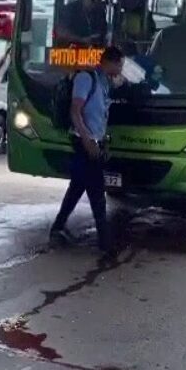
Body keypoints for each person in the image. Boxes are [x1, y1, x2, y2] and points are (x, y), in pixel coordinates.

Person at [50, 46, 125, 254]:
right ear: (109, 62)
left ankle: (57, 228)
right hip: (83, 142)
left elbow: (101, 116)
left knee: (77, 188)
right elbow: (76, 112)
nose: (120, 69)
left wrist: (102, 142)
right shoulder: (86, 78)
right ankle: (105, 242)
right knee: (96, 191)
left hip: (94, 142)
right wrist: (88, 140)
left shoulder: (104, 83)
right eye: (119, 65)